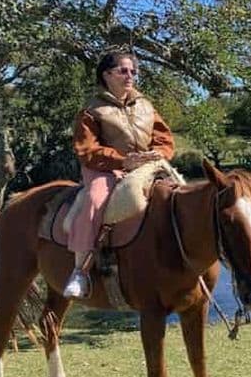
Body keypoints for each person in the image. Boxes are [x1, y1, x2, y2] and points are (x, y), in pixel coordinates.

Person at [63, 51, 175, 298]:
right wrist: (123, 160)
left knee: (180, 194)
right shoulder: (91, 111)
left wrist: (158, 153)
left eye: (133, 71)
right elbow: (87, 150)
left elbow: (165, 139)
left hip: (148, 166)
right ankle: (80, 272)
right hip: (105, 169)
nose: (130, 76)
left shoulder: (145, 105)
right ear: (107, 75)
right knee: (94, 200)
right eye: (123, 71)